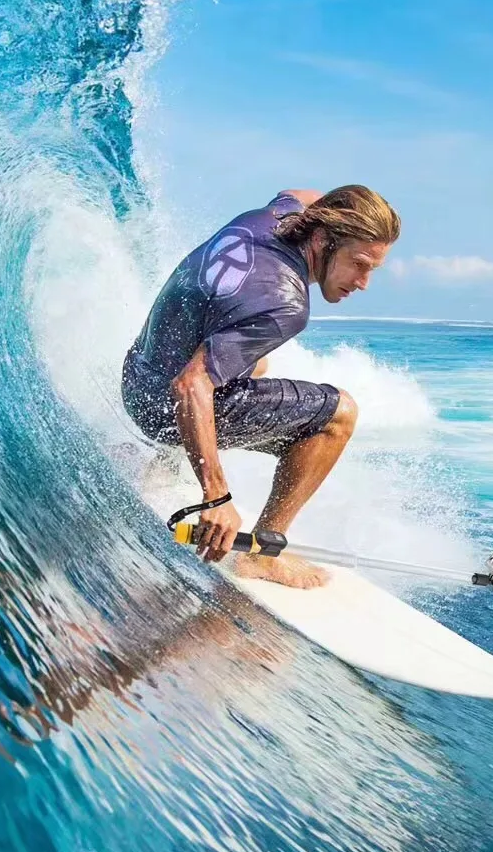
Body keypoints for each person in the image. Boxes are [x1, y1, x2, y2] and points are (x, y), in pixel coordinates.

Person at [122, 185, 400, 588]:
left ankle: (162, 461)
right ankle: (263, 555)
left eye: (373, 268)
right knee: (339, 415)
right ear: (322, 239)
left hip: (137, 375)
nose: (364, 282)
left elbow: (298, 192)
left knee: (254, 360)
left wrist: (351, 211)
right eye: (358, 263)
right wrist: (216, 497)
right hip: (162, 408)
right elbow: (190, 384)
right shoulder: (285, 305)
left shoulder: (277, 216)